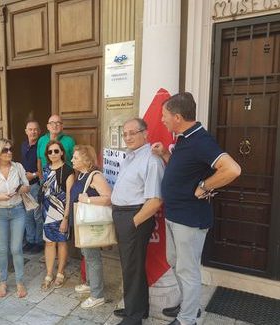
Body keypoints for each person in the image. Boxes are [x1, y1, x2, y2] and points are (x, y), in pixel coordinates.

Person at [152, 92, 241, 325]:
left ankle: (187, 319)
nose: (162, 120)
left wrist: (204, 186)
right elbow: (183, 170)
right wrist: (164, 154)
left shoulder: (201, 141)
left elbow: (232, 169)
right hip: (175, 214)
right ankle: (189, 306)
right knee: (175, 262)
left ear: (178, 117)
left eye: (165, 116)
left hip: (189, 218)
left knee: (187, 270)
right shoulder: (183, 138)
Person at [111, 118, 165, 325]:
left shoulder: (151, 160)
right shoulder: (130, 157)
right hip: (124, 215)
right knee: (132, 266)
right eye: (125, 133)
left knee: (131, 268)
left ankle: (134, 319)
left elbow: (156, 200)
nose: (128, 137)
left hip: (135, 217)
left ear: (146, 133)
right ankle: (137, 309)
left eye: (133, 132)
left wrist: (132, 222)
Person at [0, 138, 30, 298]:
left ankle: (20, 281)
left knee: (16, 248)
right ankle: (3, 281)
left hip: (17, 211)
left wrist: (22, 189)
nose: (9, 152)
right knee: (2, 249)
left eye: (10, 149)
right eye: (5, 150)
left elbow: (27, 186)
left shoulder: (18, 167)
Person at [70, 145, 112, 309]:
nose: (72, 160)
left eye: (76, 157)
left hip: (91, 224)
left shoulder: (95, 176)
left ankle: (97, 295)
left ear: (86, 160)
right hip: (82, 222)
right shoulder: (81, 175)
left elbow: (108, 198)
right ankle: (90, 283)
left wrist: (87, 200)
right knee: (86, 255)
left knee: (93, 258)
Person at [40, 140, 74, 291]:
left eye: (56, 151)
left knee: (61, 242)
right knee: (49, 242)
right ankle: (48, 273)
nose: (53, 154)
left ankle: (60, 272)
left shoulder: (68, 170)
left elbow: (68, 196)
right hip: (47, 210)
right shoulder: (46, 168)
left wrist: (66, 219)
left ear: (61, 152)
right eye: (50, 152)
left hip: (61, 211)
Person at [20, 119, 43, 254]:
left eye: (35, 129)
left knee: (37, 215)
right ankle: (30, 240)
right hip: (25, 186)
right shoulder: (24, 145)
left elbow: (46, 166)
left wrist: (34, 175)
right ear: (26, 131)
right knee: (27, 214)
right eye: (30, 129)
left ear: (39, 131)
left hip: (36, 184)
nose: (33, 132)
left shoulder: (42, 146)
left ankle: (39, 242)